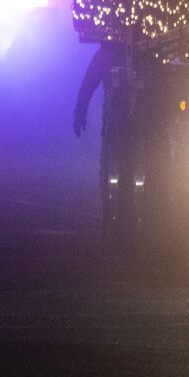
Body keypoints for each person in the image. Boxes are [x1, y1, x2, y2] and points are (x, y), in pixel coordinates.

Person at [73, 42, 139, 240]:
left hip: (116, 125)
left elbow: (88, 84)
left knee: (112, 172)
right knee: (126, 173)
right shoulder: (141, 51)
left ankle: (113, 224)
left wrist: (80, 113)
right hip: (129, 124)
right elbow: (89, 83)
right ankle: (125, 222)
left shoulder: (106, 54)